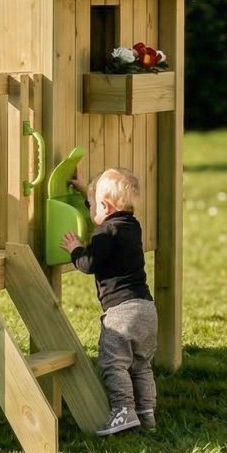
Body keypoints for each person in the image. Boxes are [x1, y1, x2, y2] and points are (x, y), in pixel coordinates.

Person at [61, 167, 158, 435]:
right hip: (145, 309)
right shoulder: (131, 225)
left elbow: (89, 263)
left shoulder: (105, 232)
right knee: (140, 365)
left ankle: (123, 410)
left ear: (104, 206)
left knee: (112, 364)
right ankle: (146, 413)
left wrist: (75, 249)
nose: (90, 208)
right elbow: (103, 211)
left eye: (92, 204)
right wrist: (86, 191)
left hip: (121, 313)